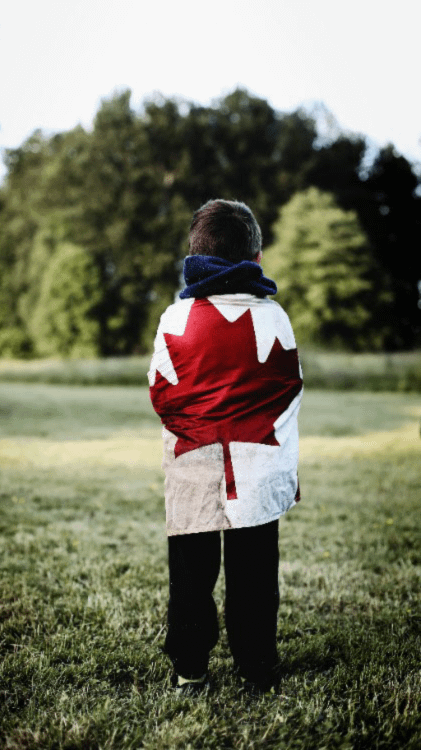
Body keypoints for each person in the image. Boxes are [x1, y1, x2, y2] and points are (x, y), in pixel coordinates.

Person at [148, 199, 303, 695]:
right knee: (256, 573)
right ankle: (257, 667)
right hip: (258, 465)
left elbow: (161, 392)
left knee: (190, 574)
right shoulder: (274, 316)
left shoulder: (175, 319)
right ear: (255, 257)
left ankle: (190, 668)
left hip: (193, 463)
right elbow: (289, 386)